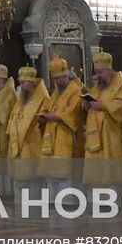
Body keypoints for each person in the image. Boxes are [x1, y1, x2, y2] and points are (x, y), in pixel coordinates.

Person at [83, 52, 122, 188]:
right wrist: (86, 104)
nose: (98, 76)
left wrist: (103, 106)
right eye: (96, 72)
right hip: (94, 132)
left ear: (110, 71)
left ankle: (114, 200)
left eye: (101, 72)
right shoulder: (97, 86)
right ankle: (97, 200)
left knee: (111, 166)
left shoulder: (121, 85)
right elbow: (92, 101)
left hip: (111, 132)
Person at [39, 58, 85, 186]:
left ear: (66, 76)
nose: (57, 81)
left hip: (67, 134)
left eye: (59, 78)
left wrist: (56, 116)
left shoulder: (76, 90)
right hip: (53, 133)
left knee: (66, 168)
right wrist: (44, 114)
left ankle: (69, 201)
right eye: (54, 78)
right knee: (52, 168)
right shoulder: (56, 93)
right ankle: (54, 199)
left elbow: (74, 113)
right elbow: (48, 107)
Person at [7, 66, 50, 189]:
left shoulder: (43, 98)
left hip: (33, 142)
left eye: (23, 83)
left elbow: (44, 117)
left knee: (33, 177)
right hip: (19, 142)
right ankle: (21, 203)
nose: (21, 86)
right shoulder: (22, 99)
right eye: (20, 83)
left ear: (31, 83)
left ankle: (35, 202)